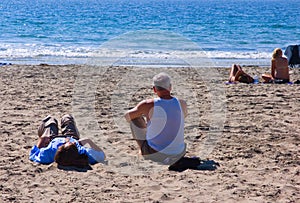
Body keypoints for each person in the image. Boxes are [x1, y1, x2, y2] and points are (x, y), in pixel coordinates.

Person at [124, 72, 187, 165]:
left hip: (155, 153)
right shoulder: (181, 103)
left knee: (134, 118)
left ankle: (142, 151)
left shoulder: (148, 104)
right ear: (170, 87)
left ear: (154, 89)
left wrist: (146, 121)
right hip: (179, 152)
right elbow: (183, 116)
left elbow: (127, 116)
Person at [29, 114, 106, 168]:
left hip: (52, 138)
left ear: (60, 148)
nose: (69, 141)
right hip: (72, 136)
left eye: (66, 143)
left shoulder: (50, 152)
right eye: (73, 144)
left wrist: (42, 139)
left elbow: (34, 154)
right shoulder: (83, 154)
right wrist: (88, 141)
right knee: (67, 117)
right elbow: (102, 154)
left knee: (50, 120)